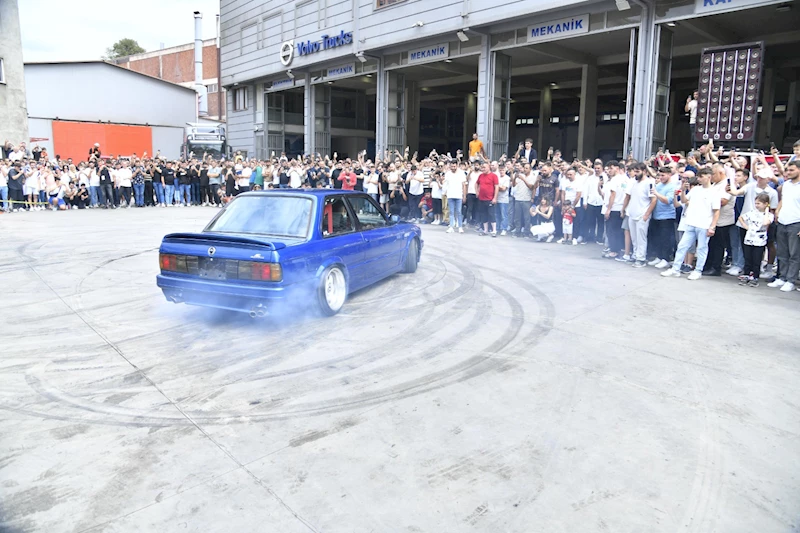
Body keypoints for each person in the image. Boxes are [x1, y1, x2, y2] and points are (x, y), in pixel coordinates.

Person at [662, 168, 720, 280]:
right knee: (682, 246)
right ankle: (675, 268)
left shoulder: (714, 192)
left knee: (702, 248)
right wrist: (683, 191)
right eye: (698, 177)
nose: (699, 179)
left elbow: (716, 211)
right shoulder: (696, 190)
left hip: (704, 224)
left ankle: (698, 270)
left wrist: (712, 226)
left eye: (701, 176)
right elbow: (684, 201)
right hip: (691, 222)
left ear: (708, 176)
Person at [768, 160, 800, 292]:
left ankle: (791, 280)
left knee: (794, 254)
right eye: (787, 170)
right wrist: (777, 212)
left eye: (792, 170)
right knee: (782, 253)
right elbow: (783, 199)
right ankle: (782, 277)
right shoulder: (786, 185)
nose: (788, 173)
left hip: (796, 222)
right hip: (782, 222)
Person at [737, 193, 774, 287]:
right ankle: (746, 275)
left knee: (756, 260)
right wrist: (745, 226)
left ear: (766, 204)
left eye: (759, 203)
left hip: (760, 241)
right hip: (749, 239)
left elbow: (766, 223)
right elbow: (741, 217)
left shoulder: (769, 215)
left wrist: (766, 211)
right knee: (748, 258)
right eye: (756, 203)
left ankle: (755, 277)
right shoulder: (752, 213)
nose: (757, 205)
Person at [648, 166, 679, 268]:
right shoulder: (659, 185)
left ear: (669, 175)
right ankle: (659, 256)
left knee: (666, 239)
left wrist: (656, 193)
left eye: (663, 175)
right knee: (657, 238)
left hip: (667, 216)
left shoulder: (672, 186)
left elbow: (668, 200)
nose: (661, 177)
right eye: (659, 175)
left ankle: (666, 258)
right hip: (656, 215)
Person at [443, 160, 467, 234]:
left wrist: (464, 195)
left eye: (454, 166)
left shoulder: (461, 173)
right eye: (452, 166)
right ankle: (451, 227)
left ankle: (460, 227)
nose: (453, 168)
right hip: (450, 195)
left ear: (457, 165)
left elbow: (464, 185)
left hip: (459, 195)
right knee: (451, 212)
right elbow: (446, 184)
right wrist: (445, 193)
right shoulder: (448, 174)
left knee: (459, 211)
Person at [475, 162, 499, 236]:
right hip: (482, 198)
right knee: (483, 214)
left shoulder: (494, 176)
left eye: (484, 167)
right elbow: (476, 183)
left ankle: (494, 230)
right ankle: (485, 230)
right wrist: (477, 192)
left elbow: (496, 187)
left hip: (490, 198)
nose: (483, 169)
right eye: (482, 167)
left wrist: (495, 198)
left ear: (489, 167)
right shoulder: (480, 176)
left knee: (491, 214)